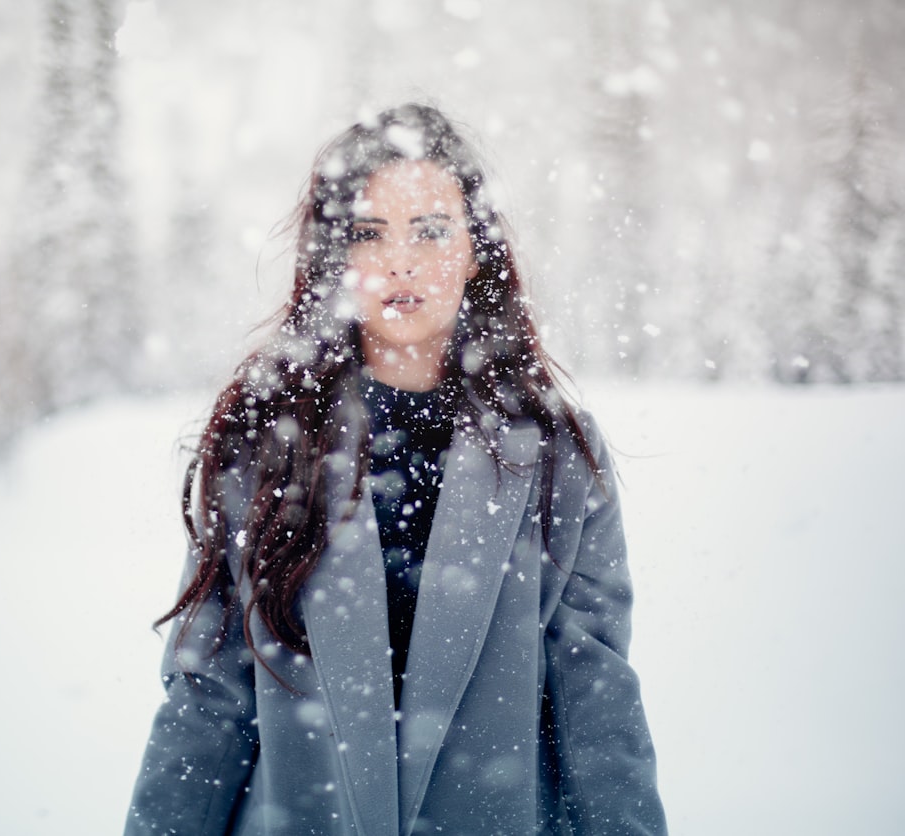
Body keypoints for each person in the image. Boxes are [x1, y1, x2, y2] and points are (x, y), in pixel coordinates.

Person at [125, 103, 667, 836]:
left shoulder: (554, 452)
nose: (399, 261)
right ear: (332, 256)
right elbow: (207, 700)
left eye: (430, 230)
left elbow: (595, 698)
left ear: (477, 248)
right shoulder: (267, 442)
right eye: (368, 233)